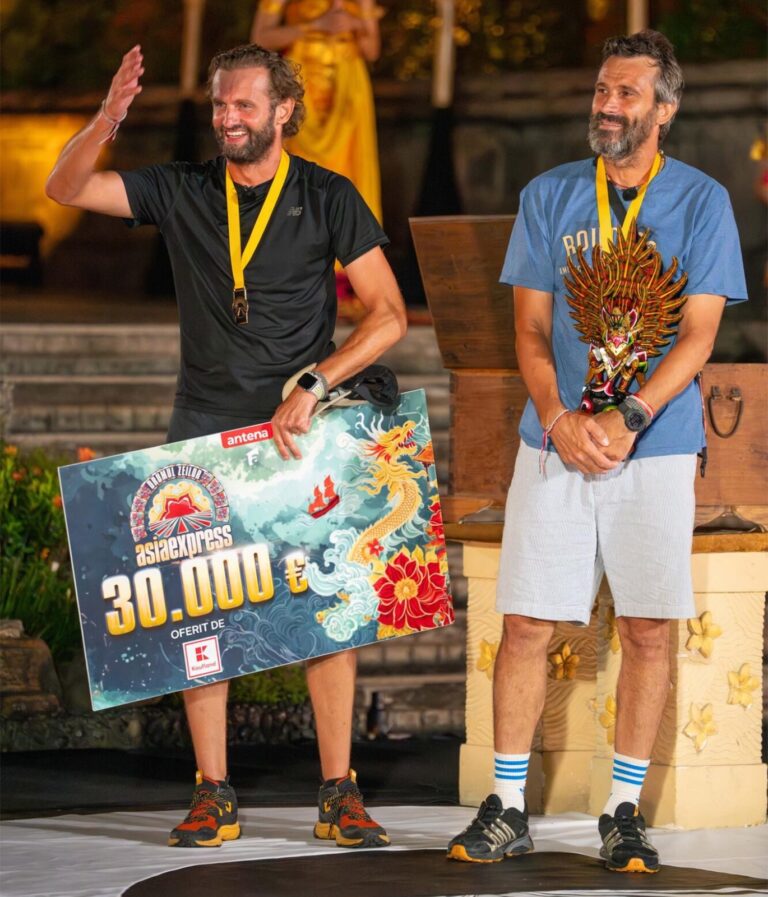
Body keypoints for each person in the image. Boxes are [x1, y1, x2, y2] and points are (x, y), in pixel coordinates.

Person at [46, 42, 406, 850]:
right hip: (202, 429)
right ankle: (213, 791)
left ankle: (339, 791)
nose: (227, 118)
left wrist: (317, 380)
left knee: (328, 610)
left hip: (298, 435)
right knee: (197, 618)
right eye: (219, 104)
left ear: (284, 110)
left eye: (244, 104)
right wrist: (107, 117)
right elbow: (64, 187)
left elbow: (388, 315)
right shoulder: (182, 188)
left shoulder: (328, 194)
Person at [446, 30, 746, 873]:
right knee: (526, 621)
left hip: (655, 446)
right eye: (602, 91)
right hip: (556, 442)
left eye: (626, 94)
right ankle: (506, 805)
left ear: (664, 109)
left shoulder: (702, 200)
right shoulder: (549, 195)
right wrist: (559, 416)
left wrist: (630, 417)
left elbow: (701, 334)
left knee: (647, 627)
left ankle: (623, 812)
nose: (607, 106)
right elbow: (530, 328)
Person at [251, 0, 382, 224]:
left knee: (347, 167)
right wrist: (315, 25)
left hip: (347, 88)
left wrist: (355, 23)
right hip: (303, 84)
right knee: (300, 169)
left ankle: (347, 238)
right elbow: (261, 38)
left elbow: (372, 51)